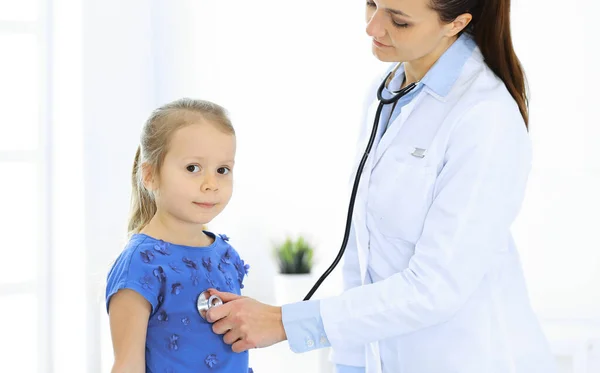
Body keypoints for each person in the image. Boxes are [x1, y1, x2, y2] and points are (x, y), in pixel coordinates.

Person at [204, 0, 559, 372]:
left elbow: (435, 288)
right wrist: (351, 365)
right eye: (372, 3)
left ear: (456, 23)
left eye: (399, 20)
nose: (372, 28)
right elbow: (367, 255)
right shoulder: (388, 91)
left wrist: (284, 322)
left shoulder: (485, 117)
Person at [104, 98, 253, 373]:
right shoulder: (140, 265)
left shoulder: (226, 256)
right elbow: (127, 365)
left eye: (223, 170)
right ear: (150, 175)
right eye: (192, 168)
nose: (211, 185)